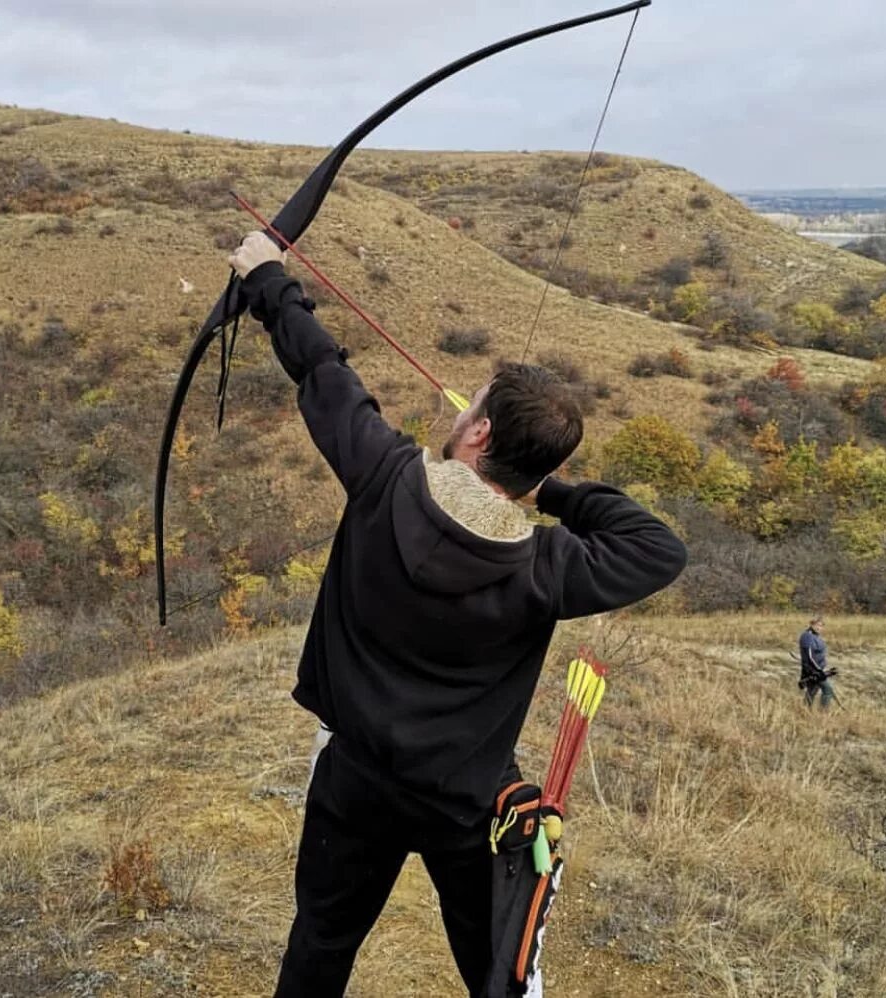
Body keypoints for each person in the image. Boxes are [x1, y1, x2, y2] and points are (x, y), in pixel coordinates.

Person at [227, 232, 687, 997]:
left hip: (357, 780)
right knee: (492, 971)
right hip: (465, 803)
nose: (465, 405)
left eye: (472, 403)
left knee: (320, 944)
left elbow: (321, 367)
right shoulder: (546, 568)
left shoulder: (380, 473)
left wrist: (266, 278)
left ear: (476, 434)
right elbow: (655, 548)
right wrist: (555, 492)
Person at [798, 615, 836, 709]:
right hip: (812, 671)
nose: (819, 627)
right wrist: (819, 671)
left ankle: (804, 711)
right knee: (828, 690)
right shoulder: (807, 637)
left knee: (812, 692)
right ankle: (823, 713)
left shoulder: (816, 637)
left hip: (818, 670)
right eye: (817, 625)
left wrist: (826, 670)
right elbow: (810, 657)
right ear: (811, 624)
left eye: (821, 625)